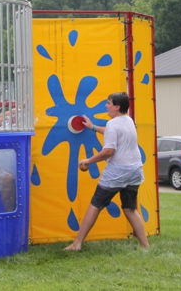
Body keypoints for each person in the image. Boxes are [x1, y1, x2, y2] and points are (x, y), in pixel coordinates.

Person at [64, 92, 149, 250]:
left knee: (95, 204)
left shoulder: (113, 124)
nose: (106, 105)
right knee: (130, 208)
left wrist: (87, 160)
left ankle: (77, 244)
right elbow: (114, 133)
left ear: (117, 107)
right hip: (135, 169)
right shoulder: (128, 120)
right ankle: (145, 246)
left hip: (118, 171)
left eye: (109, 103)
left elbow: (109, 151)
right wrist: (93, 127)